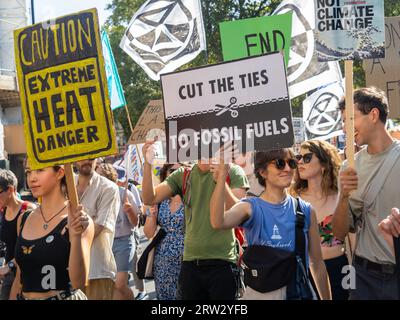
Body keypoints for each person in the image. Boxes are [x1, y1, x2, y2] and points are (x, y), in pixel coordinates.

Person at [210, 149, 331, 300]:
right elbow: (218, 222)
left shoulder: (305, 210)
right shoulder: (250, 207)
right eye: (280, 164)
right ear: (262, 172)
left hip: (297, 292)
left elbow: (317, 264)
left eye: (291, 163)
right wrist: (221, 179)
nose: (287, 169)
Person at [141, 140, 249, 300]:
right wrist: (148, 163)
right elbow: (150, 198)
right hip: (190, 262)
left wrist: (221, 179)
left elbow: (239, 213)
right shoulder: (183, 174)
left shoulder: (233, 171)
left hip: (223, 262)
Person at [332, 87, 400, 300]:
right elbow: (339, 233)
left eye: (349, 119)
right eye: (343, 121)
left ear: (373, 115)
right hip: (363, 277)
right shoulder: (348, 167)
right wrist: (343, 197)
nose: (344, 128)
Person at [10, 164, 94, 300]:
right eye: (28, 172)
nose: (31, 178)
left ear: (60, 173)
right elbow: (20, 277)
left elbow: (79, 282)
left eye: (39, 170)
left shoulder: (79, 220)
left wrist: (76, 236)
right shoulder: (24, 218)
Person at [291, 140, 352, 300]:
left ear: (324, 164)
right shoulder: (293, 199)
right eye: (298, 157)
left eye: (307, 157)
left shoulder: (341, 196)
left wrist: (353, 271)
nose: (300, 162)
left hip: (340, 268)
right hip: (306, 272)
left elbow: (352, 237)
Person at [75, 159, 120, 300]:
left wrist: (69, 236)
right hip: (66, 271)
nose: (86, 159)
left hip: (96, 270)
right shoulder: (63, 185)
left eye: (91, 155)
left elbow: (98, 228)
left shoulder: (109, 188)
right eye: (82, 155)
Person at [96, 163, 140, 300]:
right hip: (103, 244)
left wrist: (129, 211)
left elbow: (135, 223)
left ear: (108, 177)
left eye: (99, 176)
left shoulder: (124, 194)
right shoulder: (95, 197)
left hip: (124, 242)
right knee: (111, 286)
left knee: (120, 284)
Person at [143, 163, 185, 300]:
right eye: (173, 170)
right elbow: (148, 233)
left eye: (181, 170)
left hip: (189, 259)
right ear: (165, 175)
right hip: (163, 261)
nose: (177, 173)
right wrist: (151, 214)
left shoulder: (192, 198)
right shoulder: (159, 200)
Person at [0, 170, 36, 300]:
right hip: (9, 274)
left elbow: (32, 247)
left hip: (26, 274)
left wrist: (8, 266)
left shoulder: (28, 210)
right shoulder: (3, 210)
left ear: (10, 190)